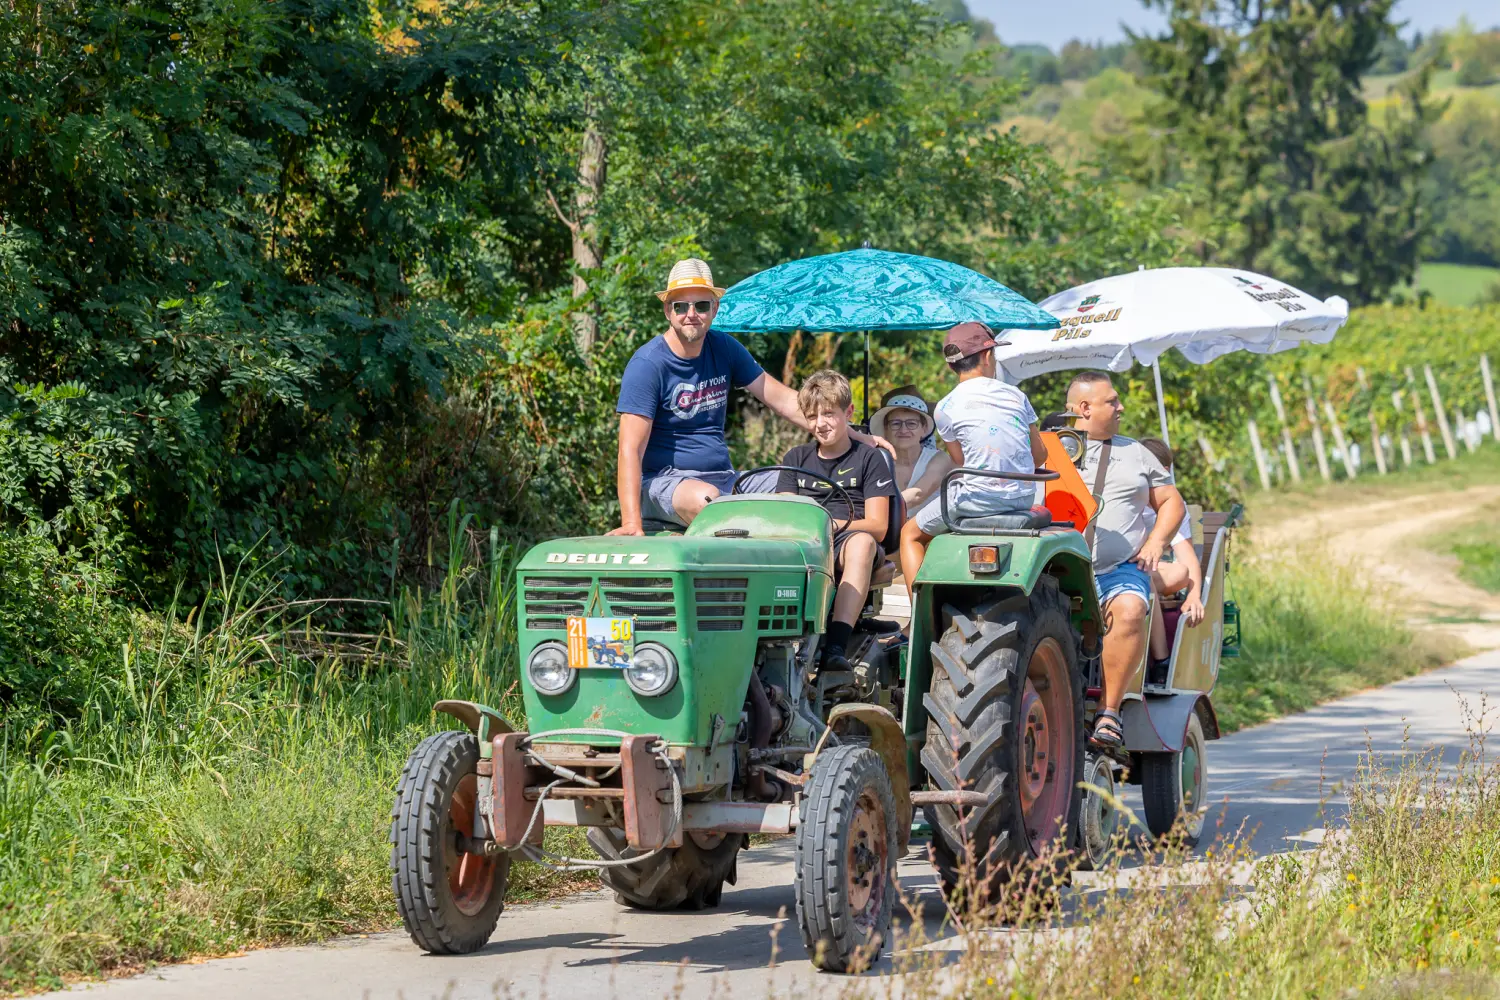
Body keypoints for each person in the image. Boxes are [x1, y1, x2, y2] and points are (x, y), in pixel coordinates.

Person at [610, 258, 891, 535]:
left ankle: (844, 555)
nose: (691, 313)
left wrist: (853, 434)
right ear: (667, 311)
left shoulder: (724, 347)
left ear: (715, 308)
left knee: (804, 486)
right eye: (681, 306)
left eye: (702, 305)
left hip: (726, 480)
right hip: (666, 484)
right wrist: (631, 524)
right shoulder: (648, 364)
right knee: (706, 501)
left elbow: (783, 401)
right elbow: (629, 449)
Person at [1066, 372, 1187, 750]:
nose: (1121, 407)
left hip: (1118, 569)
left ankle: (1109, 713)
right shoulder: (1048, 449)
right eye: (1112, 401)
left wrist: (1155, 542)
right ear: (1084, 409)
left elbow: (1172, 503)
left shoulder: (1137, 452)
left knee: (1133, 608)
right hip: (1059, 572)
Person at [898, 323, 1047, 584]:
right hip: (1023, 498)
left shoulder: (944, 407)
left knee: (910, 534)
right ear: (988, 355)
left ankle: (918, 616)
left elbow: (961, 461)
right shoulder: (1016, 395)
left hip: (975, 501)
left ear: (950, 366)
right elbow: (1039, 456)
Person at [776, 371, 897, 671]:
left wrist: (831, 523)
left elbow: (879, 525)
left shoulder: (869, 459)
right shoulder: (796, 458)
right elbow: (785, 513)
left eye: (829, 413)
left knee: (862, 544)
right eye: (812, 416)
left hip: (849, 537)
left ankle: (835, 647)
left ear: (849, 413)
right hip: (805, 540)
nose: (820, 423)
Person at [1137, 437, 1206, 665]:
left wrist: (1194, 597)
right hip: (1124, 566)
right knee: (1143, 577)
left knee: (1180, 573)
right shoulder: (1127, 498)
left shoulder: (1171, 506)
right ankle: (1161, 658)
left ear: (1163, 471)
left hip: (1147, 569)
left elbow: (1187, 556)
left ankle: (1161, 663)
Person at [869, 385, 954, 509]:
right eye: (896, 423)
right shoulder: (874, 461)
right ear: (885, 429)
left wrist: (878, 513)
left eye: (911, 424)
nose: (904, 430)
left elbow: (918, 494)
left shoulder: (939, 458)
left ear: (924, 429)